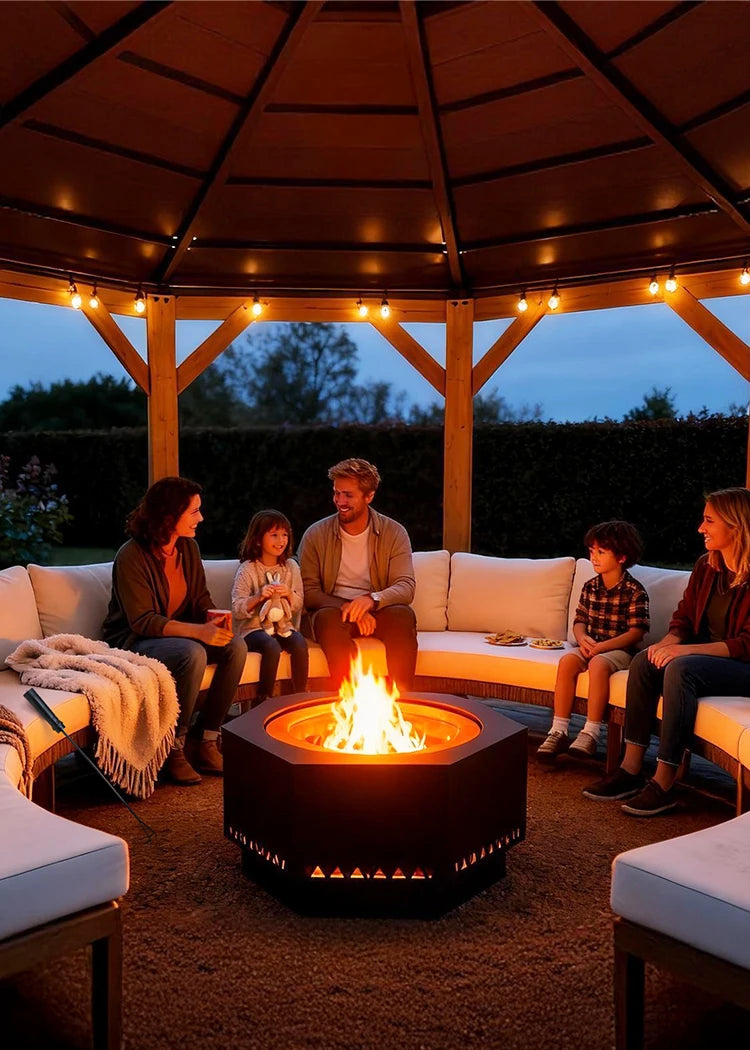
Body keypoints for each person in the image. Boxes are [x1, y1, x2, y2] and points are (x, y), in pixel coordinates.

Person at [584, 487, 750, 816]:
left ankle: (665, 781)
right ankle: (631, 769)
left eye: (708, 521)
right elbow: (684, 618)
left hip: (743, 665)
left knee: (680, 668)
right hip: (705, 657)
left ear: (735, 525)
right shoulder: (707, 566)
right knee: (646, 661)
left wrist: (685, 653)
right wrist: (669, 642)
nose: (700, 528)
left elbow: (746, 644)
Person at [102, 476, 246, 786]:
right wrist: (198, 633)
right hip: (134, 640)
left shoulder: (188, 548)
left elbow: (199, 599)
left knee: (236, 646)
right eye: (194, 511)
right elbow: (142, 620)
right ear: (170, 515)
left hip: (176, 637)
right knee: (192, 652)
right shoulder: (131, 556)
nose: (201, 518)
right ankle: (173, 747)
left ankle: (207, 739)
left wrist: (214, 621)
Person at [298, 457, 417, 691]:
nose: (340, 501)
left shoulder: (394, 533)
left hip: (377, 611)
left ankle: (403, 702)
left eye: (348, 495)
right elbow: (308, 592)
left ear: (369, 496)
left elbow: (406, 586)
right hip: (334, 613)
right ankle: (346, 705)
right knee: (326, 619)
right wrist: (352, 608)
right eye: (336, 493)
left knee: (402, 615)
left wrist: (370, 601)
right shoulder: (316, 534)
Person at [537, 520, 649, 763]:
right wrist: (583, 639)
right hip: (591, 645)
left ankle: (591, 732)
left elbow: (636, 632)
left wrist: (602, 647)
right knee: (567, 661)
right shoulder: (590, 587)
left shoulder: (634, 591)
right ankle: (559, 730)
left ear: (621, 557)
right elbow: (579, 621)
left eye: (601, 552)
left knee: (598, 664)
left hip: (619, 651)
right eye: (591, 552)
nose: (594, 557)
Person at [231, 509, 308, 704]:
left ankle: (300, 696)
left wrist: (289, 594)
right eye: (274, 535)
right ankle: (263, 700)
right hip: (253, 629)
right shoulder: (248, 568)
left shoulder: (291, 567)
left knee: (299, 644)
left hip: (283, 627)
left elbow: (299, 604)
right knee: (271, 646)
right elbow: (237, 608)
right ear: (257, 539)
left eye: (284, 534)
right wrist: (258, 597)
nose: (281, 540)